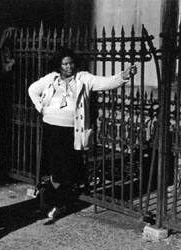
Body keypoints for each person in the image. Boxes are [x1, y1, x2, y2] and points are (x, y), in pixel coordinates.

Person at [28, 47, 137, 220]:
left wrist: (123, 76)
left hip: (71, 130)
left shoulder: (83, 78)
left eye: (71, 63)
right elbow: (32, 89)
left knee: (66, 167)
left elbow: (106, 82)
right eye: (65, 64)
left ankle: (58, 202)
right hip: (50, 127)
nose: (69, 67)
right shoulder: (51, 79)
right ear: (59, 65)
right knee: (53, 167)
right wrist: (41, 107)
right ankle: (53, 200)